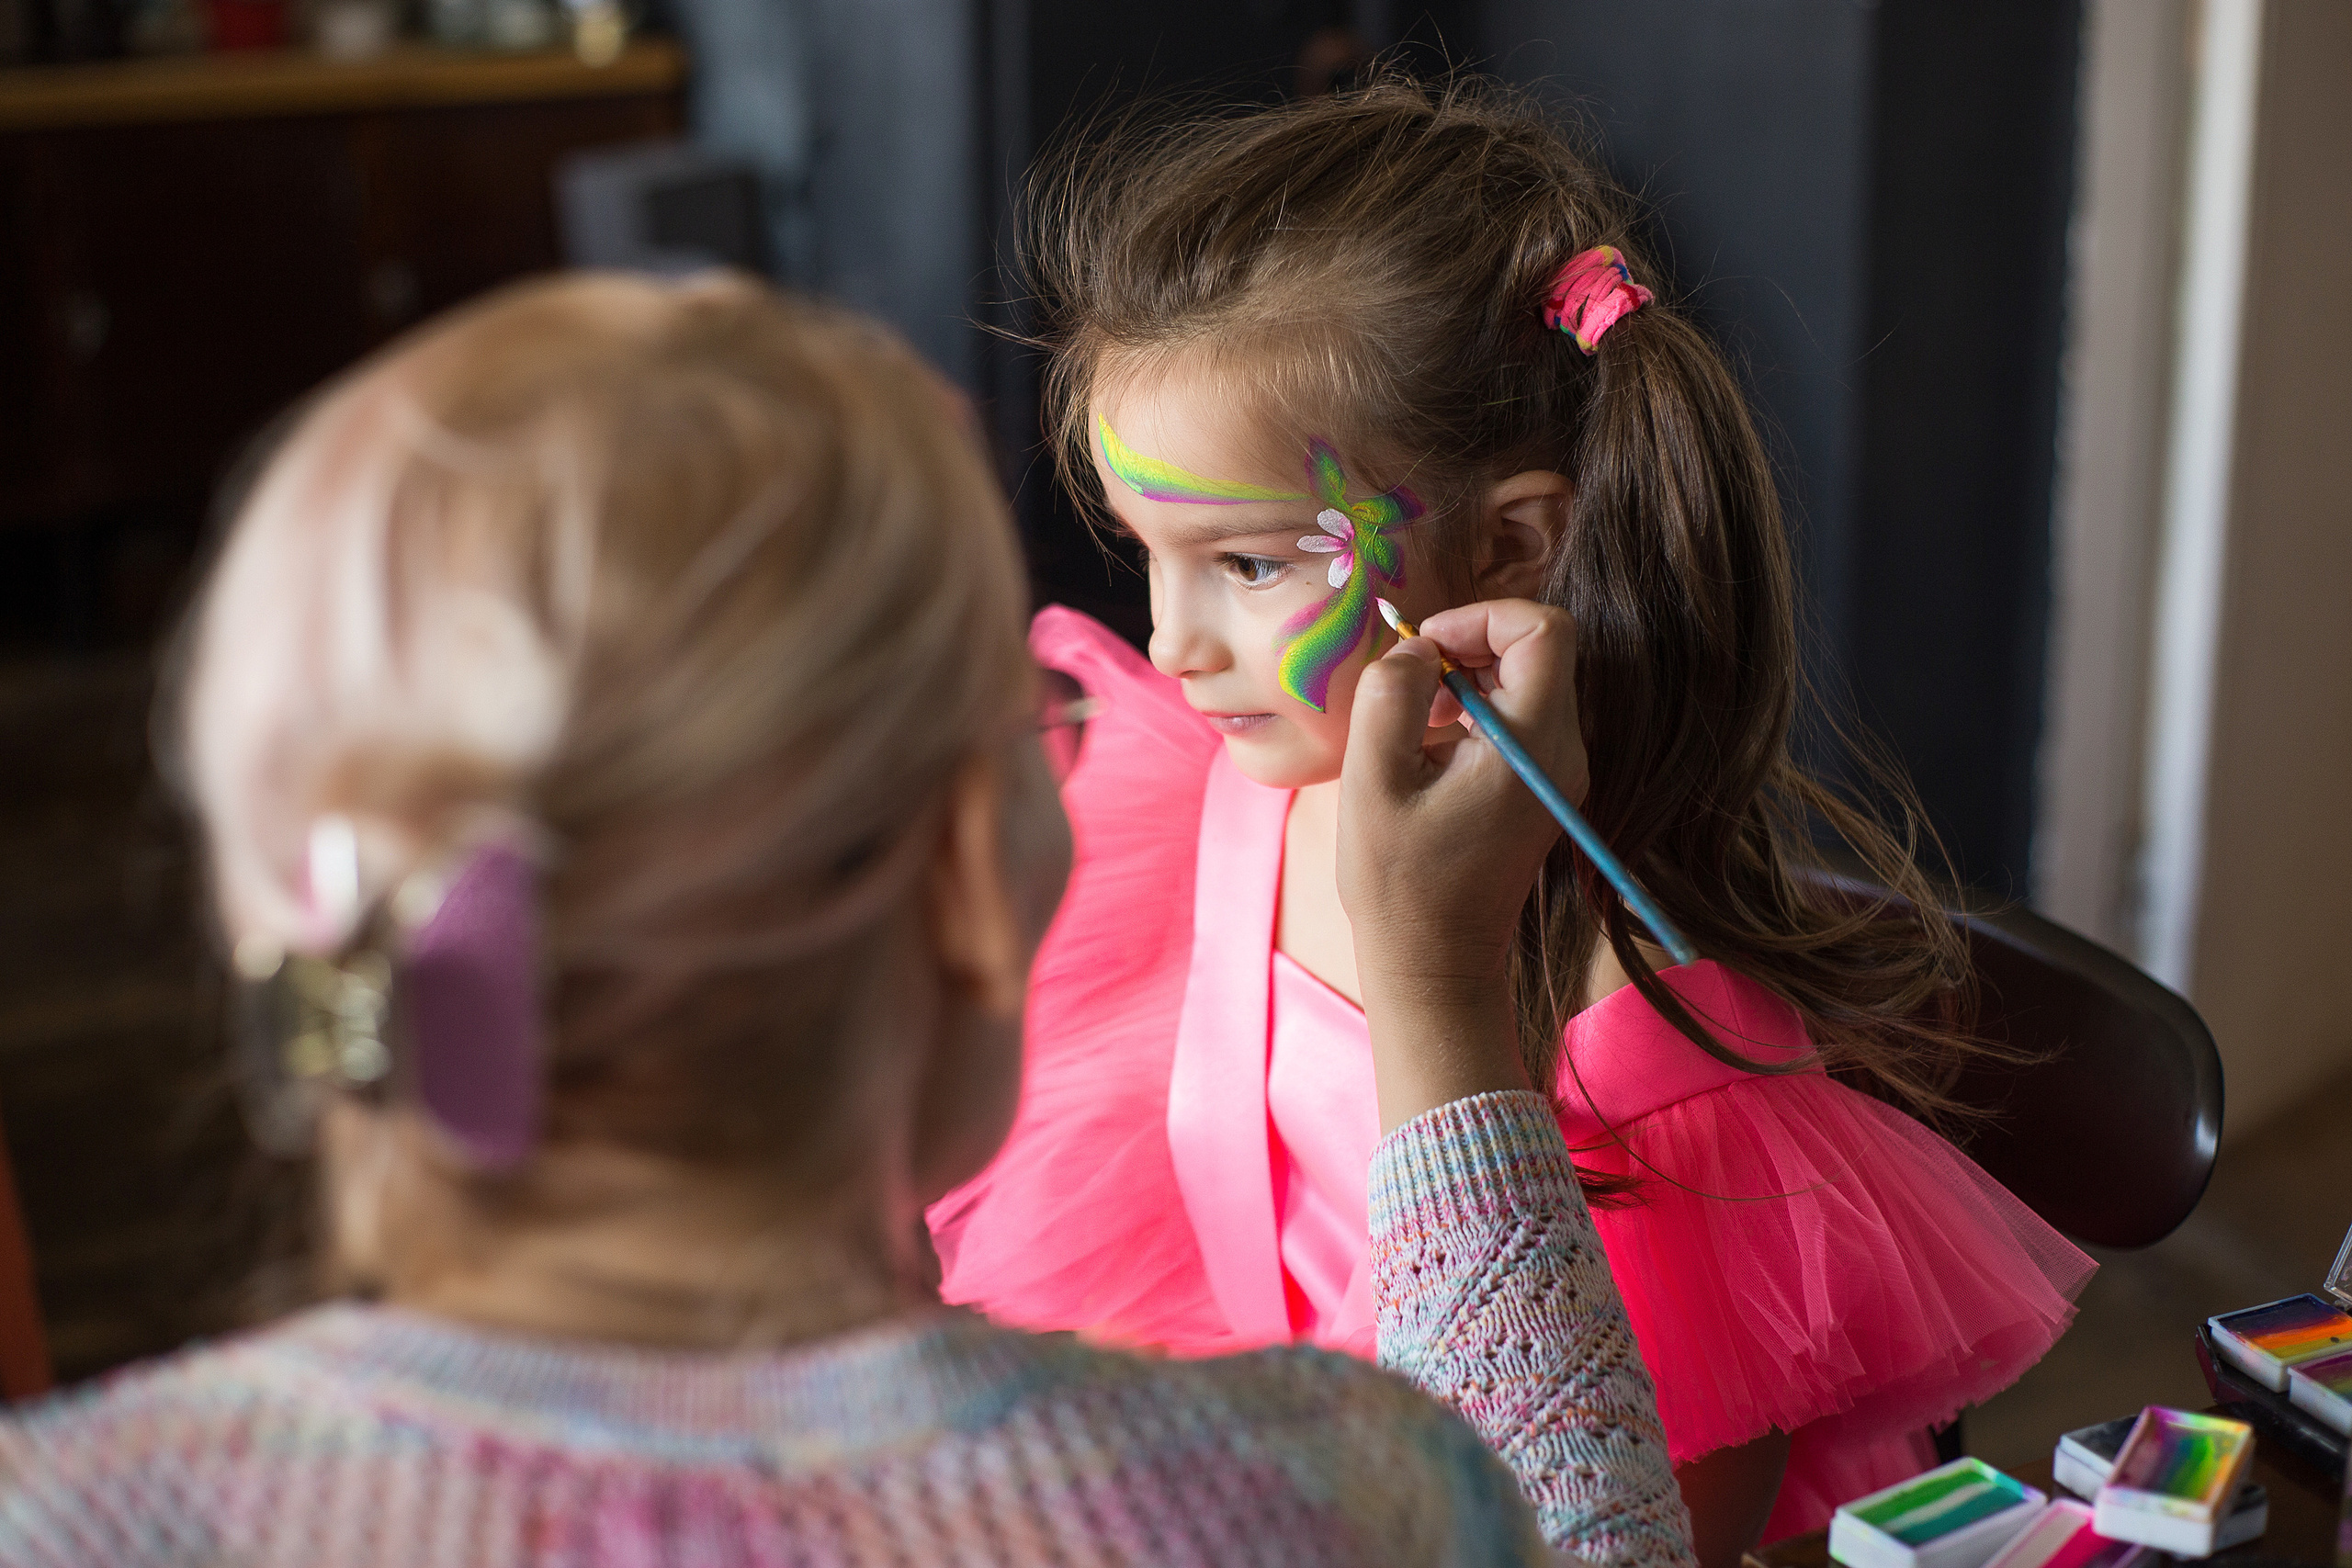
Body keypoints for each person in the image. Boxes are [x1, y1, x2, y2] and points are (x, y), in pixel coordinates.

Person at [0, 272, 1700, 1568]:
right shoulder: (1325, 1496)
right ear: (976, 882)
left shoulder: (70, 1520)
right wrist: (1438, 986)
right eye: (1037, 721)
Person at [926, 76, 2097, 1563]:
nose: (1170, 647)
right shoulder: (1222, 800)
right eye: (1151, 558)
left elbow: (1626, 1535)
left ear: (1510, 545)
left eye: (1251, 565)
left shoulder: (1665, 1078)